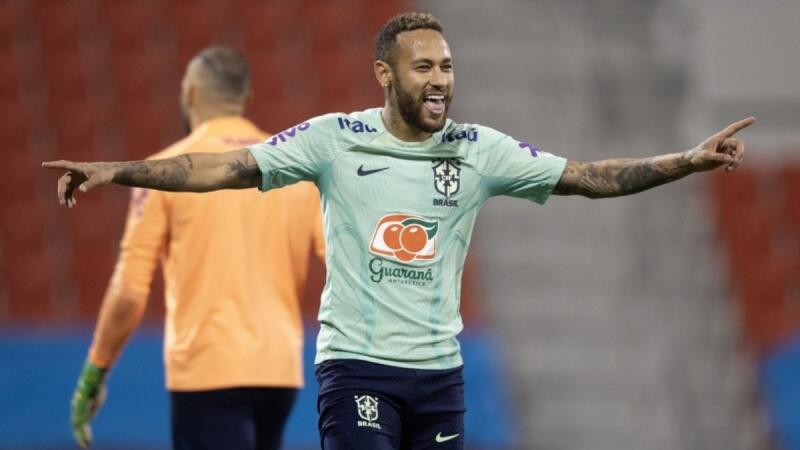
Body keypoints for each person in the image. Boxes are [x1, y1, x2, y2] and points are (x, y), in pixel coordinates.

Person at [46, 13, 752, 450]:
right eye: (424, 67)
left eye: (447, 65)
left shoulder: (478, 149)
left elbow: (592, 177)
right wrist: (118, 170)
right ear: (386, 74)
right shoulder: (334, 141)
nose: (441, 78)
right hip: (356, 367)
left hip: (440, 376)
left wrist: (686, 160)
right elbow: (222, 168)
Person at [67, 46, 325, 450]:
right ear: (247, 100)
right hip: (280, 373)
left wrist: (93, 375)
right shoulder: (292, 172)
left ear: (189, 95)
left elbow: (130, 289)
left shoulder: (162, 173)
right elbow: (340, 257)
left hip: (206, 371)